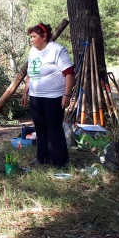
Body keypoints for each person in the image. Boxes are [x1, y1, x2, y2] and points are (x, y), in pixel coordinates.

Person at [21, 23, 75, 167]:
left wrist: (67, 95)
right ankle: (41, 158)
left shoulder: (57, 50)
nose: (31, 40)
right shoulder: (32, 51)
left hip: (54, 97)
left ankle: (59, 162)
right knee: (40, 128)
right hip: (36, 97)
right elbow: (29, 74)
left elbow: (69, 74)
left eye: (34, 36)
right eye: (30, 37)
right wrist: (26, 92)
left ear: (44, 36)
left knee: (54, 128)